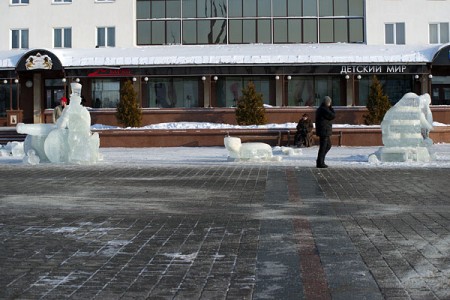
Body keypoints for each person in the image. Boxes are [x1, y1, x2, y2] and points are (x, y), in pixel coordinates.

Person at [315, 96, 335, 168]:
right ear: (328, 102)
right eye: (329, 102)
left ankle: (320, 160)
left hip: (324, 130)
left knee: (328, 145)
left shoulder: (322, 109)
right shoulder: (324, 109)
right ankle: (320, 162)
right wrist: (331, 108)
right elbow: (332, 115)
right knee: (323, 147)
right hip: (324, 130)